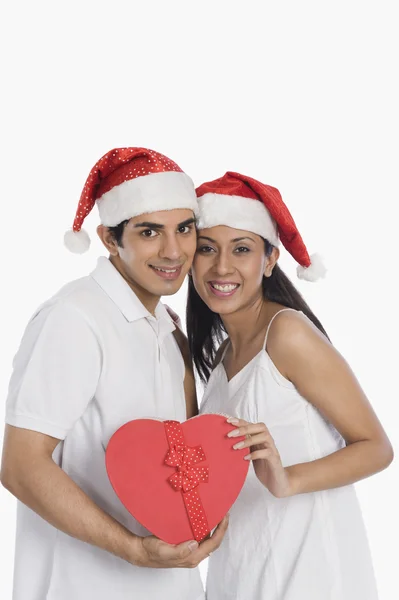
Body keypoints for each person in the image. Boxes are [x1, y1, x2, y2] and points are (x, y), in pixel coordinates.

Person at [0, 147, 228, 600]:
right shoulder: (75, 318)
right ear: (109, 239)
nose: (173, 250)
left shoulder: (168, 329)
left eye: (184, 228)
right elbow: (20, 465)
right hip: (84, 587)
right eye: (149, 232)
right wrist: (134, 550)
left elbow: (182, 462)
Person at [186, 171, 393, 600]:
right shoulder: (221, 360)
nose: (222, 267)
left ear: (269, 260)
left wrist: (288, 480)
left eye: (241, 249)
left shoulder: (287, 334)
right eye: (206, 249)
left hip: (309, 577)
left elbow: (376, 447)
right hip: (240, 576)